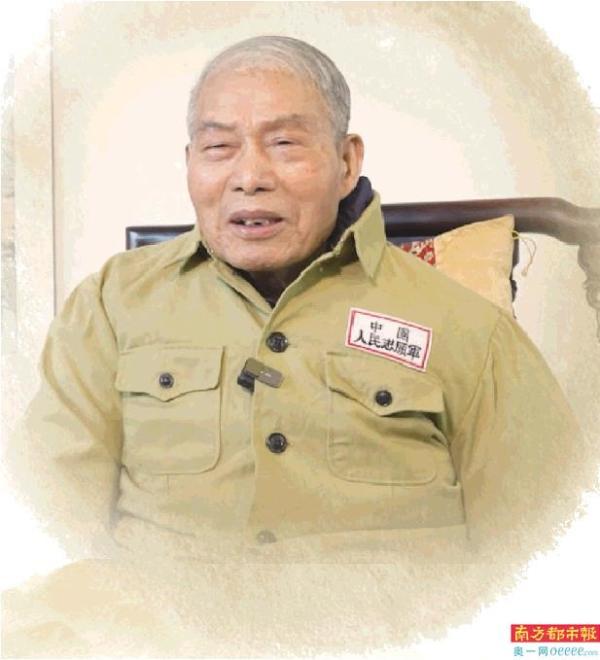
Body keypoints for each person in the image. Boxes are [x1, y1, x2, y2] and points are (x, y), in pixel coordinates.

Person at [7, 35, 593, 568]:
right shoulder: (112, 305)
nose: (249, 177)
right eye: (218, 147)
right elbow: (48, 525)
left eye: (284, 143)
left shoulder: (466, 326)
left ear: (347, 163)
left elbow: (549, 552)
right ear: (189, 163)